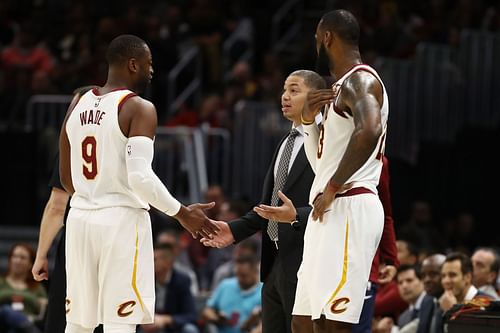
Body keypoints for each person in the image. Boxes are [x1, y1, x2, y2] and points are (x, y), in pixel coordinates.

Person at [58, 34, 218, 333]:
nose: (152, 71)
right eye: (148, 64)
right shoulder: (139, 108)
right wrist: (182, 214)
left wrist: (94, 193)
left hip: (79, 218)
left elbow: (67, 179)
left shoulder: (77, 103)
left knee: (78, 322)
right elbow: (141, 177)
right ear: (133, 64)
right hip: (119, 221)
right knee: (121, 321)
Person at [201, 69, 325, 333]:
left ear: (315, 98)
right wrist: (233, 230)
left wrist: (296, 216)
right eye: (284, 90)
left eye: (294, 90)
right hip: (274, 262)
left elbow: (338, 203)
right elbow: (270, 207)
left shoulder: (326, 140)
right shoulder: (286, 141)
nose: (285, 96)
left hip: (308, 260)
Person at [294, 9, 388, 333]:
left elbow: (370, 130)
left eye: (316, 39)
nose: (316, 45)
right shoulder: (338, 89)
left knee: (334, 324)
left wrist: (333, 186)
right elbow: (322, 165)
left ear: (327, 38)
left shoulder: (362, 79)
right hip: (328, 208)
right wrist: (308, 121)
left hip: (350, 204)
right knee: (305, 321)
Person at [32, 85, 99, 333]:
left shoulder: (71, 147)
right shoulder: (126, 142)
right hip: (118, 236)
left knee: (69, 318)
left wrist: (40, 255)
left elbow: (57, 207)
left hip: (79, 239)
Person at [139, 244, 199, 333]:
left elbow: (191, 316)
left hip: (171, 327)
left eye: (154, 260)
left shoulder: (182, 281)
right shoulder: (143, 280)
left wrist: (166, 320)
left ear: (168, 263)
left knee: (190, 329)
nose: (149, 263)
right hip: (146, 327)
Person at [200, 255, 263, 333]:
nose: (239, 279)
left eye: (243, 275)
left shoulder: (264, 290)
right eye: (237, 274)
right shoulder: (226, 285)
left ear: (255, 272)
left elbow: (268, 321)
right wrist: (217, 319)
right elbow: (207, 311)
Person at [0, 243, 47, 333]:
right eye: (15, 256)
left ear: (30, 264)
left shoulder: (37, 287)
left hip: (28, 321)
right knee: (6, 310)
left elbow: (42, 313)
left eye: (22, 258)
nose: (18, 261)